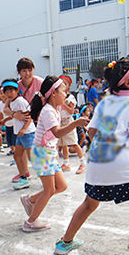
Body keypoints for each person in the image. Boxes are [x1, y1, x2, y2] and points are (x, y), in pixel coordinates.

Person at [54, 57, 129, 255]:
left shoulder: (105, 102)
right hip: (121, 163)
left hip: (98, 162)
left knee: (89, 204)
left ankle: (65, 242)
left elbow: (91, 132)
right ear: (128, 82)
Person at [20, 76, 89, 232]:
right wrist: (75, 123)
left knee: (61, 186)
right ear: (53, 94)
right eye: (63, 91)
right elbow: (57, 133)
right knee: (49, 190)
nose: (65, 95)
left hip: (48, 152)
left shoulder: (55, 109)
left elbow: (59, 129)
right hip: (42, 153)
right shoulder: (48, 111)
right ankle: (30, 222)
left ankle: (30, 200)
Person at [4, 79, 36, 190]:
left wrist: (23, 129)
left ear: (17, 90)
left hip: (27, 133)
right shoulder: (12, 102)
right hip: (20, 133)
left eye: (11, 91)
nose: (9, 93)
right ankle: (24, 178)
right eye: (6, 91)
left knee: (33, 157)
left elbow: (29, 117)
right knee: (17, 156)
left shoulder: (20, 101)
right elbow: (12, 113)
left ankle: (50, 175)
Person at [57, 75, 86, 174]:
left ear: (69, 86)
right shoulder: (57, 96)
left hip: (68, 121)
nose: (63, 85)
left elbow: (71, 111)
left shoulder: (71, 98)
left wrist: (64, 104)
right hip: (59, 122)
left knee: (73, 142)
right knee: (63, 144)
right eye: (61, 83)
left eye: (65, 83)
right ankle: (66, 163)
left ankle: (82, 163)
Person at [0, 86, 15, 156]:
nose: (2, 95)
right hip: (7, 125)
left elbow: (14, 115)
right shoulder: (0, 103)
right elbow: (1, 114)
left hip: (14, 124)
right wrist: (0, 125)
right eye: (0, 93)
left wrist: (5, 120)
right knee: (9, 140)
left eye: (3, 93)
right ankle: (13, 150)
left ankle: (15, 151)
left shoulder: (11, 102)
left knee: (14, 140)